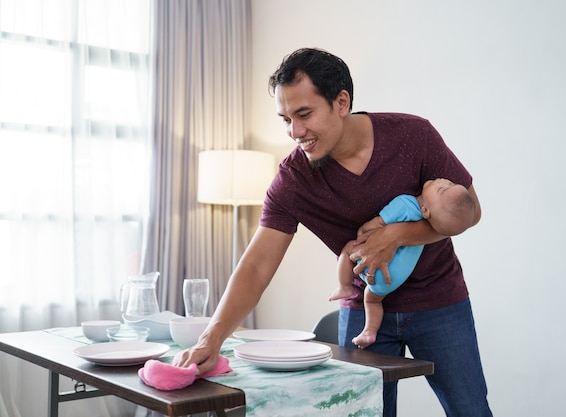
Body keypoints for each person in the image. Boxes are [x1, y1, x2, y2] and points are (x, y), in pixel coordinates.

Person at [175, 47, 492, 417]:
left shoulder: (413, 136)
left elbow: (471, 211)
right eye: (286, 119)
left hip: (441, 303)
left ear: (342, 102)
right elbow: (256, 267)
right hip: (363, 311)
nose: (295, 131)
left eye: (304, 114)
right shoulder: (293, 180)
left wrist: (398, 235)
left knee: (471, 411)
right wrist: (211, 337)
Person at [330, 179, 476, 349]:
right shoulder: (429, 225)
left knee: (347, 251)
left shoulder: (405, 204)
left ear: (426, 210)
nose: (444, 181)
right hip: (393, 280)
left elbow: (378, 223)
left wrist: (364, 230)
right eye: (450, 184)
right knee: (372, 301)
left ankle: (344, 286)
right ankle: (369, 330)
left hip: (375, 271)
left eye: (442, 189)